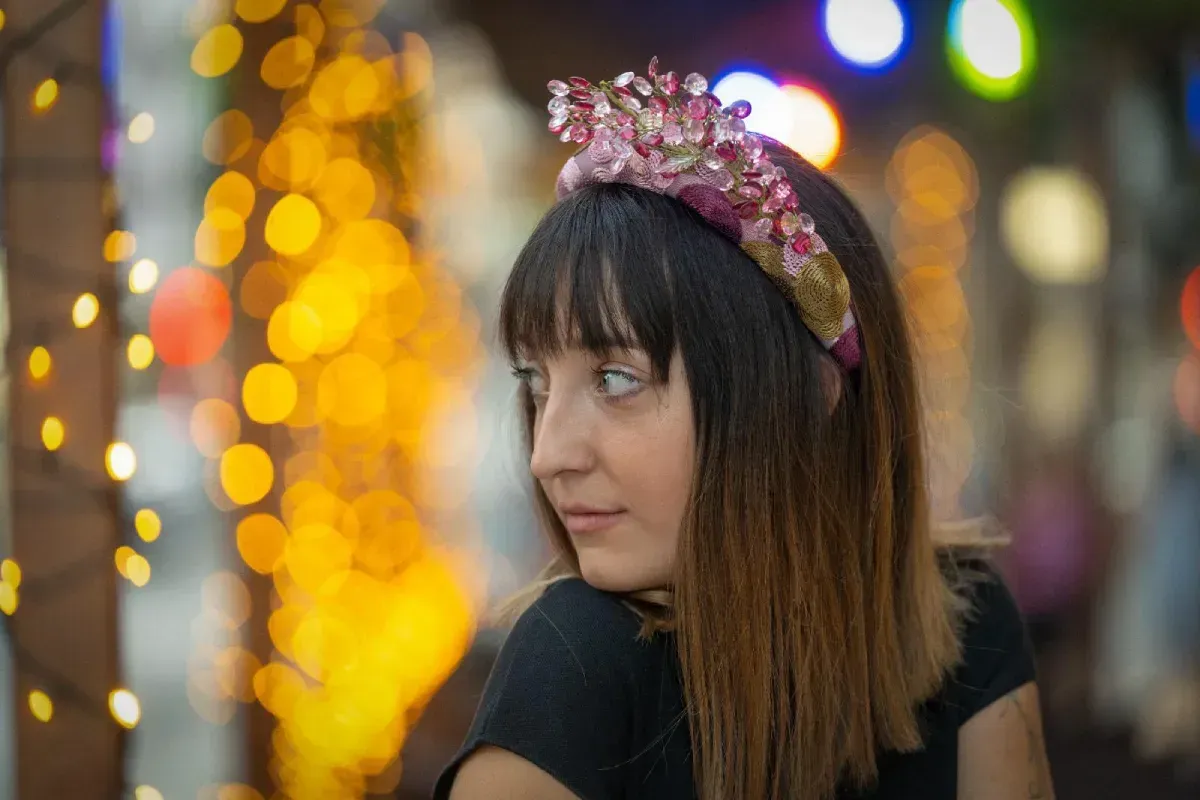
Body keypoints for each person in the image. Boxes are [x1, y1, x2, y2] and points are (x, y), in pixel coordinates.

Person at [434, 59, 1054, 800]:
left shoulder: (967, 626)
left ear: (806, 392)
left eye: (615, 380)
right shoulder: (574, 655)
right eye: (535, 383)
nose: (546, 456)